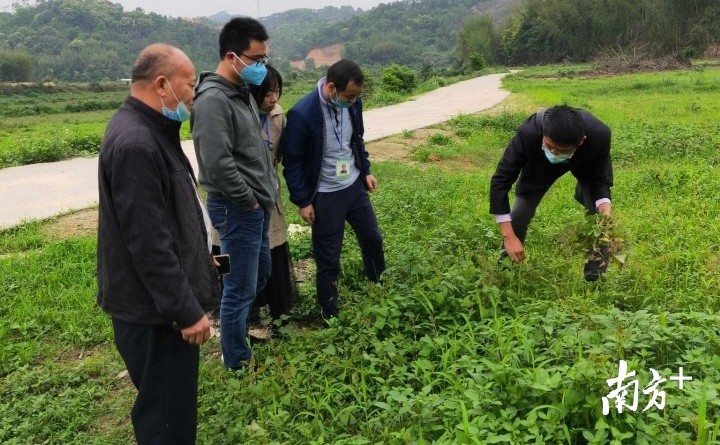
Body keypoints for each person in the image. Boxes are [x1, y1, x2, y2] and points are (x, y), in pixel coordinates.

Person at [97, 44, 220, 444]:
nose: (193, 93)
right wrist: (186, 311)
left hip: (157, 305)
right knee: (166, 417)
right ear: (162, 83)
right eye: (189, 83)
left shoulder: (153, 129)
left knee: (172, 406)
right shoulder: (136, 142)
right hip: (154, 313)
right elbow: (148, 243)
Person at [191, 17, 278, 370]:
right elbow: (216, 163)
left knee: (257, 276)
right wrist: (249, 199)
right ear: (231, 56)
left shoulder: (239, 92)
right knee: (240, 288)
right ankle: (236, 360)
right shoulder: (213, 100)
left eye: (264, 59)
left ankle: (235, 334)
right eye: (256, 60)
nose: (262, 67)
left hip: (254, 207)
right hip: (237, 207)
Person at [282, 59, 385, 321]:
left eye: (357, 96)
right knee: (329, 257)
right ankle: (330, 312)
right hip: (325, 195)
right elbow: (292, 163)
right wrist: (303, 201)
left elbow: (356, 140)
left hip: (353, 186)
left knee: (372, 238)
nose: (353, 101)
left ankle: (378, 284)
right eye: (349, 96)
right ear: (331, 88)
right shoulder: (303, 114)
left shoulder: (352, 103)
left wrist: (366, 171)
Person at [489, 105, 614, 281]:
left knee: (599, 220)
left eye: (562, 151)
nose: (554, 153)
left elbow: (600, 178)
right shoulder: (529, 133)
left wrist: (604, 206)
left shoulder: (599, 135)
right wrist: (508, 236)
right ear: (543, 135)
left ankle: (595, 278)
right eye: (550, 146)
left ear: (581, 141)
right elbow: (500, 181)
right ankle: (505, 270)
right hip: (539, 167)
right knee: (520, 213)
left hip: (584, 165)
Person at [248, 64, 297, 323]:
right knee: (242, 259)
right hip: (242, 200)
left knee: (274, 250)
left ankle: (277, 314)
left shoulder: (279, 116)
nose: (273, 98)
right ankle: (249, 318)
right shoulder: (236, 115)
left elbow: (280, 156)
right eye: (267, 93)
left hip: (270, 196)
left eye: (277, 91)